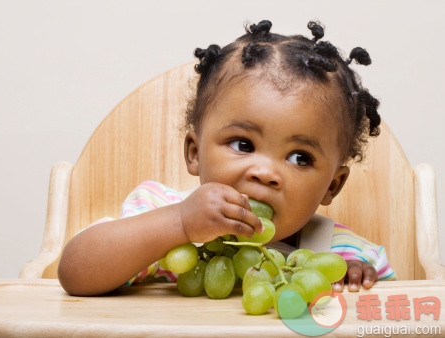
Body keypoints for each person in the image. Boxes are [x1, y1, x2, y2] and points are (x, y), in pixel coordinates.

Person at [58, 20, 396, 297]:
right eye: (243, 145)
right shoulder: (158, 212)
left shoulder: (342, 253)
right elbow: (74, 273)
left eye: (300, 157)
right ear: (194, 153)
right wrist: (178, 223)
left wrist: (360, 286)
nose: (265, 173)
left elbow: (395, 317)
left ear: (332, 185)